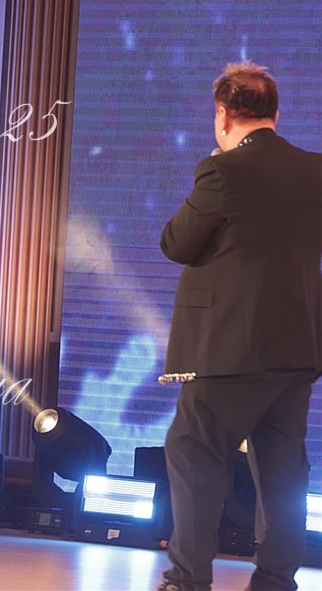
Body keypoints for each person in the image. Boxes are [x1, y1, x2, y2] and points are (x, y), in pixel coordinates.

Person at [159, 62, 321, 591]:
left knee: (194, 453)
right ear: (275, 111)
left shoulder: (222, 170)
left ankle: (188, 580)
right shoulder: (315, 169)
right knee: (283, 471)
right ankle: (275, 581)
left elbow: (177, 243)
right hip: (298, 347)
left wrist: (214, 164)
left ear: (224, 114)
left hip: (229, 348)